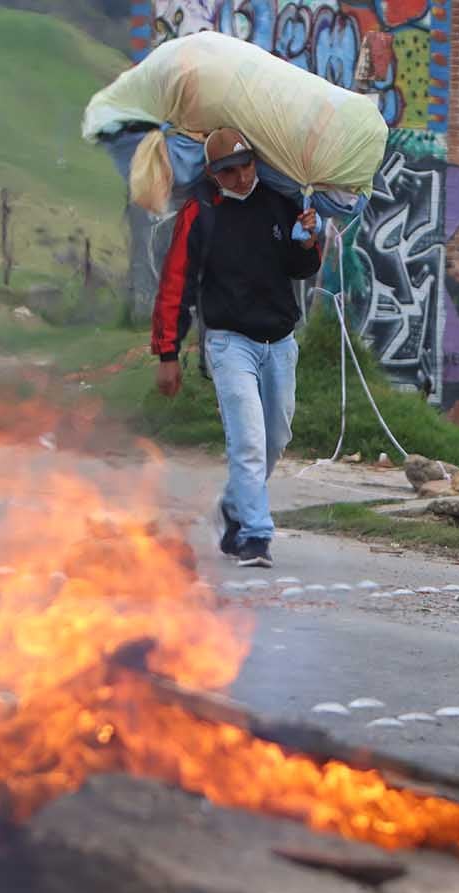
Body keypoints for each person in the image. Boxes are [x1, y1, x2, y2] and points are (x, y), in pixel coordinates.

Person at [151, 127, 322, 569]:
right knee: (247, 440)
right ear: (212, 174)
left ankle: (233, 505)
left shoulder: (279, 202)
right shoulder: (200, 213)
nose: (241, 177)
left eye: (246, 166)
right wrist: (167, 353)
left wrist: (308, 242)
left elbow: (300, 268)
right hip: (229, 345)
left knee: (276, 439)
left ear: (255, 161)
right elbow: (176, 286)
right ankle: (255, 535)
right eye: (229, 171)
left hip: (281, 342)